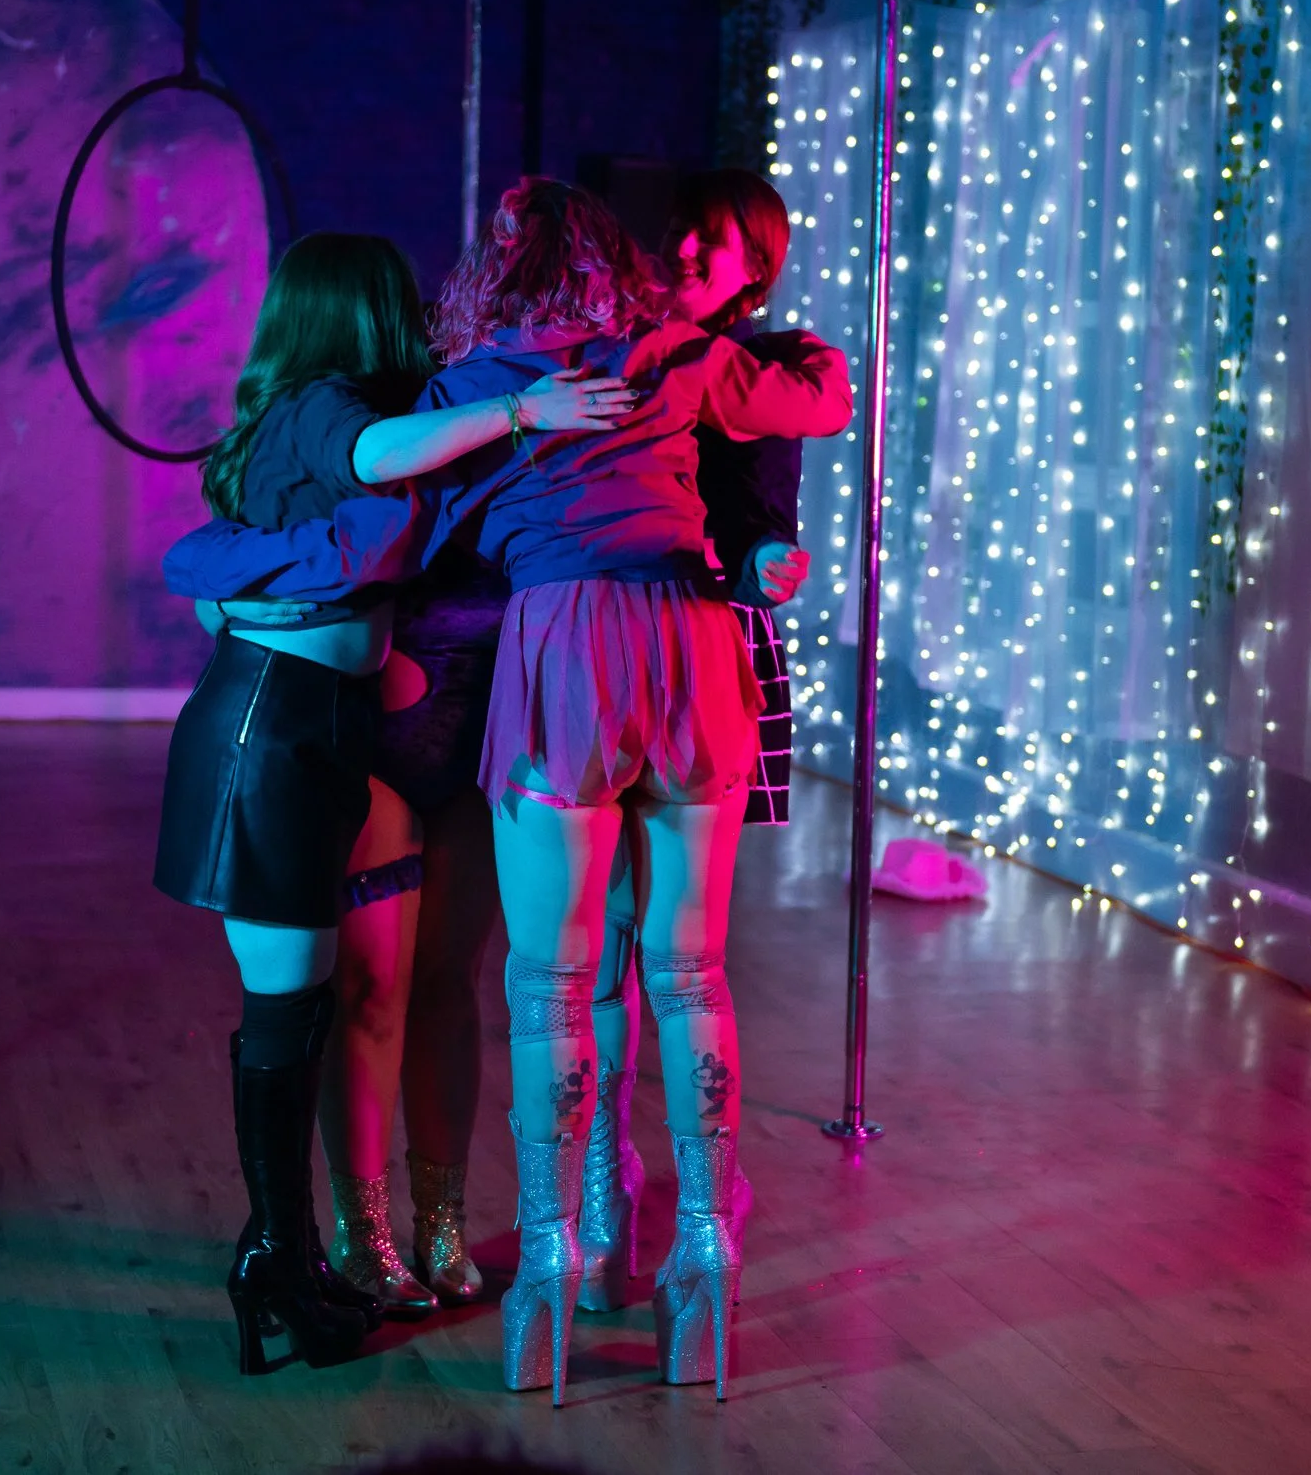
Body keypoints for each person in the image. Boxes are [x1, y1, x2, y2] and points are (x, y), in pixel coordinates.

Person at [164, 177, 852, 1403]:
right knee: (688, 969)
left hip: (564, 657)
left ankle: (549, 1263)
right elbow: (820, 396)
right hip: (694, 648)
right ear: (613, 262)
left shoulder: (469, 388)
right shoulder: (674, 351)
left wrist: (225, 575)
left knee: (549, 982)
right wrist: (766, 353)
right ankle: (700, 1248)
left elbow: (406, 533)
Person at [152, 231, 634, 1374]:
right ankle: (286, 1256)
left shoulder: (327, 420)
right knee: (295, 1010)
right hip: (274, 724)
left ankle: (293, 1256)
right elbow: (367, 464)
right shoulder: (323, 410)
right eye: (406, 307)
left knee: (312, 1006)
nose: (428, 324)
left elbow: (255, 562)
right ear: (361, 314)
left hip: (317, 724)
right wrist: (522, 414)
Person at [579, 169, 811, 1316]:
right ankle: (608, 1175)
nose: (682, 248)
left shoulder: (764, 370)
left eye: (711, 242)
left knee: (673, 948)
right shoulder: (614, 350)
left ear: (752, 265)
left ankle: (693, 1199)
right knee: (611, 941)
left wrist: (765, 563)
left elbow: (768, 510)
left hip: (702, 645)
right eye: (679, 231)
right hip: (596, 645)